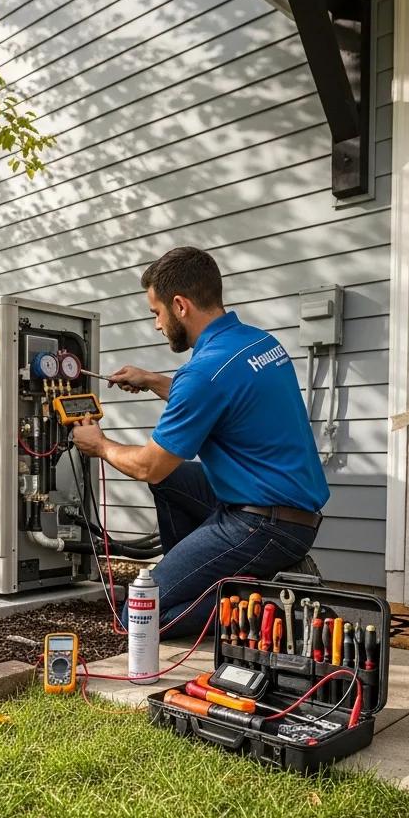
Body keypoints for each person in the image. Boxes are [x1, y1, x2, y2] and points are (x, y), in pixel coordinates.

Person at [71, 246, 329, 639]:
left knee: (137, 618)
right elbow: (221, 396)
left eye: (155, 313)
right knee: (171, 482)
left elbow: (148, 466)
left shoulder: (203, 372)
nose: (157, 325)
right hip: (283, 506)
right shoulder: (256, 343)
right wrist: (154, 380)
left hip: (264, 524)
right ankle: (198, 572)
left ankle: (267, 600)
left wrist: (100, 444)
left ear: (180, 306)